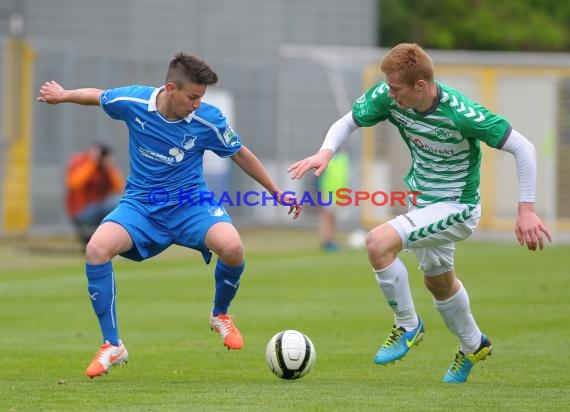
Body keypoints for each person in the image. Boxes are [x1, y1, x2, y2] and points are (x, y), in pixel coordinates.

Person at [288, 43, 552, 383]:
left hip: (457, 206)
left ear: (421, 86)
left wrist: (526, 210)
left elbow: (523, 147)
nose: (390, 94)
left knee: (377, 243)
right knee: (439, 282)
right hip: (422, 203)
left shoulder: (460, 113)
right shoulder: (391, 95)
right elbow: (348, 121)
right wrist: (325, 153)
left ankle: (407, 325)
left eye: (397, 89)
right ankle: (473, 344)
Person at [37, 53, 301, 379]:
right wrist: (63, 95)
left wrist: (276, 191)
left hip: (191, 204)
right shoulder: (133, 101)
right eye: (193, 97)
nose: (198, 104)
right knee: (95, 249)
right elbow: (97, 95)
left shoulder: (208, 120)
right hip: (141, 206)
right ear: (171, 88)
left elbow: (240, 154)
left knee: (232, 247)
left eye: (202, 97)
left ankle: (220, 314)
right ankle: (112, 344)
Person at [66, 142, 125, 246]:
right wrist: (92, 162)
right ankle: (109, 242)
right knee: (116, 202)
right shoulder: (81, 161)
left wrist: (110, 167)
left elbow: (119, 187)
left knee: (120, 202)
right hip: (81, 211)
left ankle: (111, 242)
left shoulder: (105, 167)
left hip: (99, 208)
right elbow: (74, 184)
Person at [315, 150, 350, 251]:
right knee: (326, 217)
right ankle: (326, 241)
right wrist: (319, 190)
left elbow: (344, 177)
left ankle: (331, 240)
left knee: (332, 218)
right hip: (327, 192)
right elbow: (319, 176)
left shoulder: (343, 158)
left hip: (338, 194)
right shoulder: (324, 157)